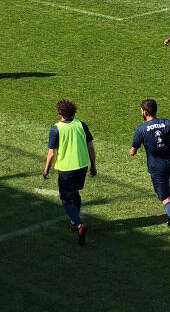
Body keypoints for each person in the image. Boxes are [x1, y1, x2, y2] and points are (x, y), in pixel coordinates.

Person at [130, 98, 170, 245]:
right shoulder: (167, 123)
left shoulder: (141, 129)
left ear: (145, 112)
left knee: (165, 199)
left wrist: (133, 149)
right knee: (166, 187)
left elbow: (133, 152)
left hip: (157, 169)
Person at [43, 98, 96, 245]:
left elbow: (52, 153)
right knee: (76, 193)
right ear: (74, 112)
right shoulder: (81, 125)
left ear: (59, 113)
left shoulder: (56, 129)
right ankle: (74, 222)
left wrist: (46, 170)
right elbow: (91, 147)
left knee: (66, 200)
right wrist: (93, 166)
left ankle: (79, 224)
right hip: (82, 166)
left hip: (66, 169)